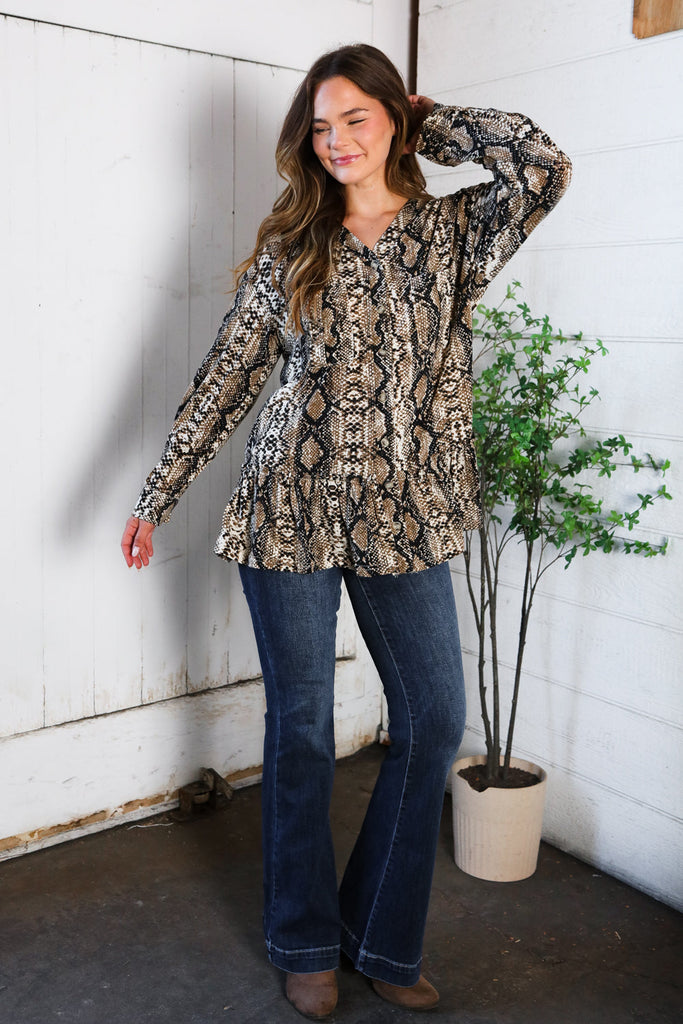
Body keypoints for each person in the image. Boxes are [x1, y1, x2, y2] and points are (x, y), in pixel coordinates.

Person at [121, 43, 571, 1020]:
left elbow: (542, 165)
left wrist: (433, 118)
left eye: (355, 119)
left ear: (392, 120)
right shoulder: (293, 246)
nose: (335, 141)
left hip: (407, 518)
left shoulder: (455, 233)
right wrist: (156, 496)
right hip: (285, 512)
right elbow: (227, 376)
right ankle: (304, 941)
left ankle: (382, 937)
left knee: (431, 721)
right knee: (304, 729)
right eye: (320, 127)